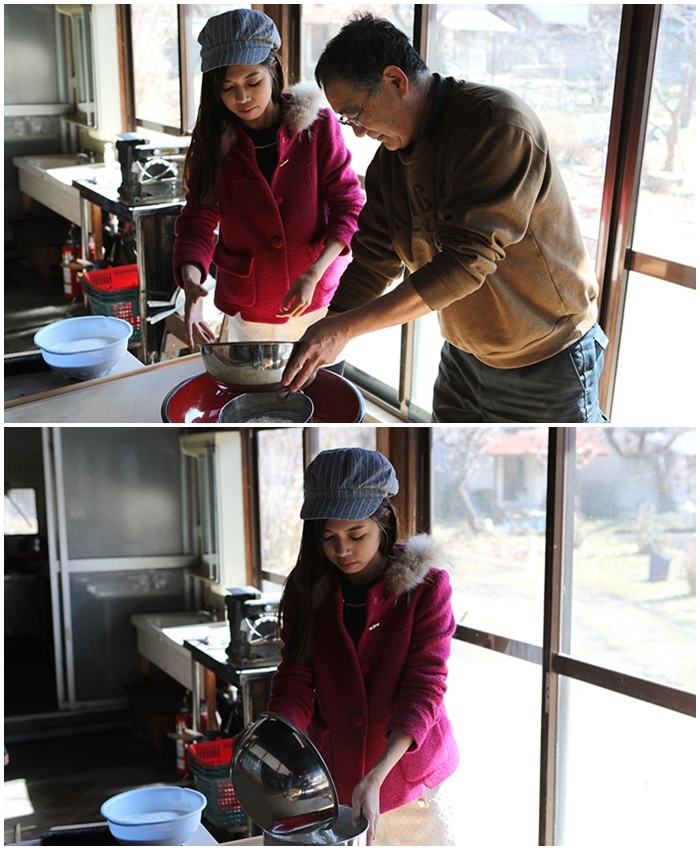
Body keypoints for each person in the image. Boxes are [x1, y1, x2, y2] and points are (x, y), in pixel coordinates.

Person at [282, 12, 610, 423]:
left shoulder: (496, 126)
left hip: (547, 356)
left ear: (395, 80)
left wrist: (346, 329)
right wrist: (327, 331)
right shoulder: (389, 162)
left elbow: (465, 263)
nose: (358, 132)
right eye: (347, 120)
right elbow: (374, 258)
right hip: (464, 357)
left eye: (356, 113)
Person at [267, 448, 459, 845]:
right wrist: (276, 735)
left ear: (384, 519)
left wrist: (377, 774)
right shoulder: (307, 590)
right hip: (335, 775)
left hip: (408, 782)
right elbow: (296, 676)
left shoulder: (427, 589)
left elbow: (425, 686)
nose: (342, 551)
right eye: (329, 537)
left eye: (356, 536)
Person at [172, 9, 364, 350]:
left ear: (273, 68)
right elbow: (197, 220)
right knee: (254, 384)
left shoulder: (317, 126)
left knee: (323, 383)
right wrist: (191, 282)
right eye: (228, 88)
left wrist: (315, 272)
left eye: (253, 82)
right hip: (250, 308)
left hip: (319, 297)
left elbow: (348, 204)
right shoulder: (212, 143)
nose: (242, 98)